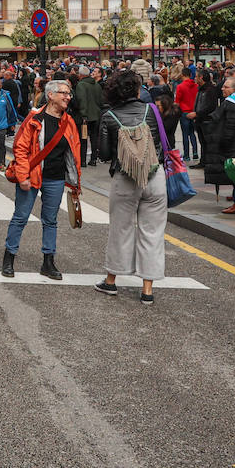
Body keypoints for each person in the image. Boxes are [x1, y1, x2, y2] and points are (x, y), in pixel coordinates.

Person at [96, 69, 167, 304]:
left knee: (121, 229)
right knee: (153, 232)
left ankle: (111, 281)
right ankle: (147, 289)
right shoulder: (152, 111)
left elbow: (105, 154)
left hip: (125, 178)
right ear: (137, 89)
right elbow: (163, 143)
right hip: (154, 177)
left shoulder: (109, 116)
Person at [3, 78, 80, 280]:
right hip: (32, 175)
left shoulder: (69, 121)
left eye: (69, 93)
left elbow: (74, 153)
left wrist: (75, 182)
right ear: (50, 95)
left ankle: (48, 261)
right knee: (20, 217)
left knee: (50, 221)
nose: (67, 96)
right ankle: (9, 257)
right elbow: (20, 148)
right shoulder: (35, 118)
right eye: (63, 93)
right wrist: (22, 176)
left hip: (55, 178)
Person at [202, 76, 235, 214]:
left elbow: (231, 125)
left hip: (234, 144)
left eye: (226, 87)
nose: (222, 88)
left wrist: (224, 142)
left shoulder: (233, 103)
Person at [74, 66, 104, 166]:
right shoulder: (97, 85)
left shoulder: (81, 85)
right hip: (96, 115)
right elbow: (101, 101)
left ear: (81, 75)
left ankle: (83, 161)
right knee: (94, 137)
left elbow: (82, 101)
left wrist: (83, 115)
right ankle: (93, 159)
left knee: (83, 138)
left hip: (85, 117)